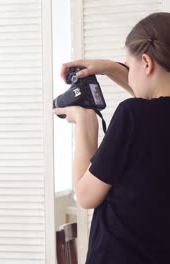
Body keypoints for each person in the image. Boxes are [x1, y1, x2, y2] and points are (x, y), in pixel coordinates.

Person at [54, 12, 170, 264]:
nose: (128, 76)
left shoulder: (133, 115)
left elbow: (85, 195)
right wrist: (109, 68)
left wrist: (85, 121)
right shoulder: (146, 116)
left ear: (147, 63)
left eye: (129, 67)